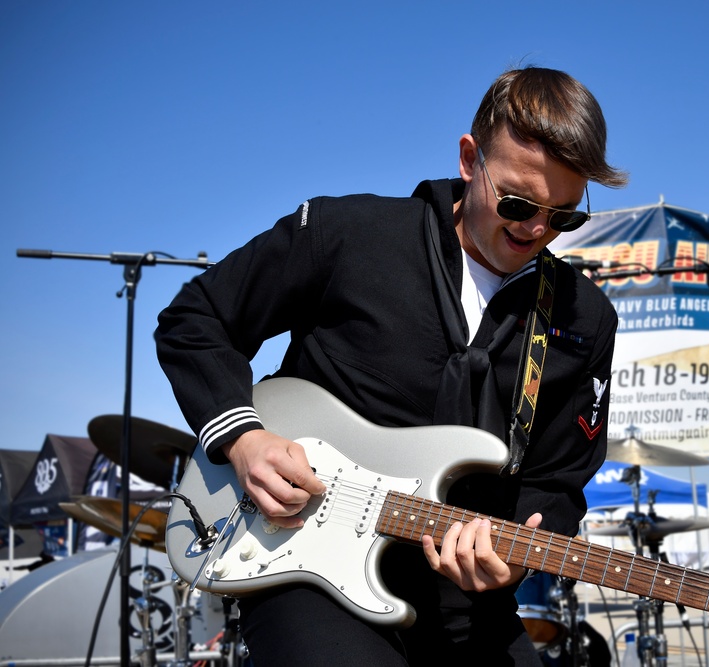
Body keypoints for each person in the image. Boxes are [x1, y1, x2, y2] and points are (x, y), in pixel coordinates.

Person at [155, 66, 627, 666]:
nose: (536, 229)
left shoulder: (584, 319)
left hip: (465, 606)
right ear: (469, 158)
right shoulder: (348, 235)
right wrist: (243, 438)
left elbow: (558, 478)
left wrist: (519, 553)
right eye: (517, 201)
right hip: (303, 563)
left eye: (564, 216)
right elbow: (197, 319)